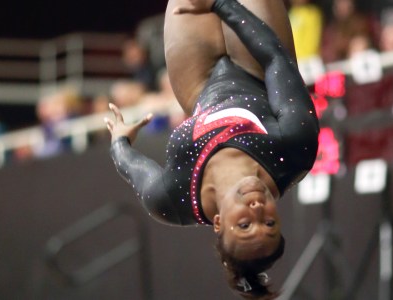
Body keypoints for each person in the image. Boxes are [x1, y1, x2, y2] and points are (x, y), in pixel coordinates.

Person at [104, 0, 319, 298]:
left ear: (218, 223)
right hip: (254, 60)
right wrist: (220, 4)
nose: (257, 210)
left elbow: (132, 168)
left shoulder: (174, 199)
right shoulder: (294, 152)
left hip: (196, 81)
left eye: (244, 225)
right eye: (269, 223)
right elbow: (276, 60)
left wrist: (119, 140)